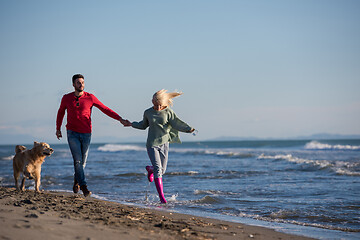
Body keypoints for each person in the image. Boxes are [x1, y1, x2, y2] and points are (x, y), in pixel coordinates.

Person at [56, 74, 129, 197]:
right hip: (72, 132)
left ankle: (76, 180)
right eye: (78, 82)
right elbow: (60, 112)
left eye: (83, 82)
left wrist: (120, 119)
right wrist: (58, 128)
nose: (81, 84)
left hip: (86, 133)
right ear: (73, 85)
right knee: (77, 161)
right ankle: (84, 187)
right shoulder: (66, 98)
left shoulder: (90, 98)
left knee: (82, 162)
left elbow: (105, 109)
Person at [130, 89, 195, 203]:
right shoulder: (148, 112)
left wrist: (188, 129)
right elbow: (143, 125)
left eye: (160, 105)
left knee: (162, 170)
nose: (158, 108)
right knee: (159, 170)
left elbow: (176, 123)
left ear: (164, 103)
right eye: (155, 105)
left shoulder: (168, 112)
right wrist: (131, 124)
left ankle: (150, 169)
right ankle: (162, 198)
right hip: (152, 144)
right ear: (152, 101)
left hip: (164, 143)